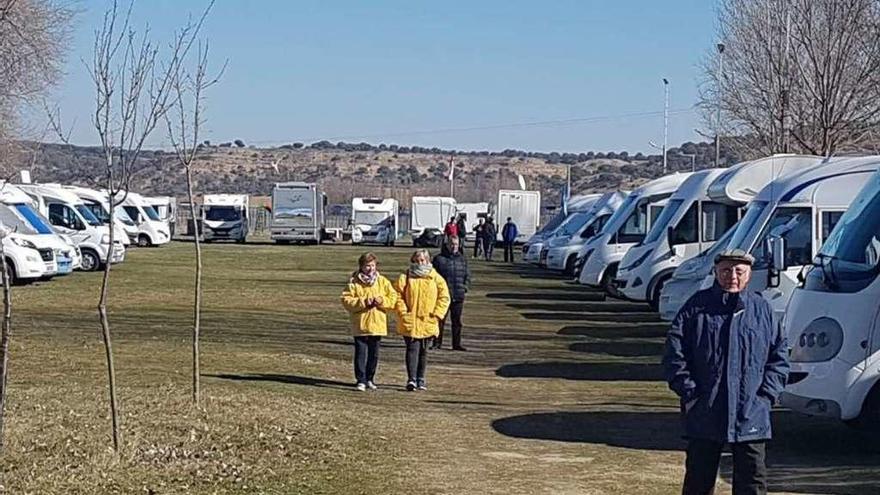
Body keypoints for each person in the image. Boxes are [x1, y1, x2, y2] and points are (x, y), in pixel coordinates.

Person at [663, 249, 789, 495]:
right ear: (716, 272)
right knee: (699, 479)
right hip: (705, 409)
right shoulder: (696, 307)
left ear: (749, 274)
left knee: (752, 480)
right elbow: (674, 353)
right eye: (726, 270)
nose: (732, 276)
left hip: (751, 411)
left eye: (739, 271)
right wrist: (690, 392)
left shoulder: (762, 310)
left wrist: (766, 397)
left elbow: (779, 356)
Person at [394, 249, 450, 391]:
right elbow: (397, 295)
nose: (420, 263)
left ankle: (421, 378)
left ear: (428, 261)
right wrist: (403, 312)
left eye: (423, 260)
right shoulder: (405, 277)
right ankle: (411, 379)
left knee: (424, 351)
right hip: (410, 320)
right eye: (417, 260)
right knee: (412, 349)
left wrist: (437, 314)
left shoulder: (436, 278)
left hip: (428, 320)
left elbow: (444, 297)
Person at [341, 252, 398, 392]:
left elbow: (393, 298)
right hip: (360, 324)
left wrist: (381, 301)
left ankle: (370, 378)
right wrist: (363, 302)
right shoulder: (353, 282)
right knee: (361, 353)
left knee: (374, 354)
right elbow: (346, 300)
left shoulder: (383, 281)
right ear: (361, 266)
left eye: (372, 265)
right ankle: (360, 379)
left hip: (377, 324)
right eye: (367, 266)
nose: (370, 268)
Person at [431, 235, 470, 351]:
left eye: (456, 244)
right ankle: (437, 343)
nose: (454, 247)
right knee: (440, 319)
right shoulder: (439, 259)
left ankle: (456, 344)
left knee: (457, 321)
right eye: (452, 244)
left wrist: (465, 287)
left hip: (458, 294)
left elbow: (467, 275)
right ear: (447, 245)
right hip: (443, 295)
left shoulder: (462, 259)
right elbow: (433, 277)